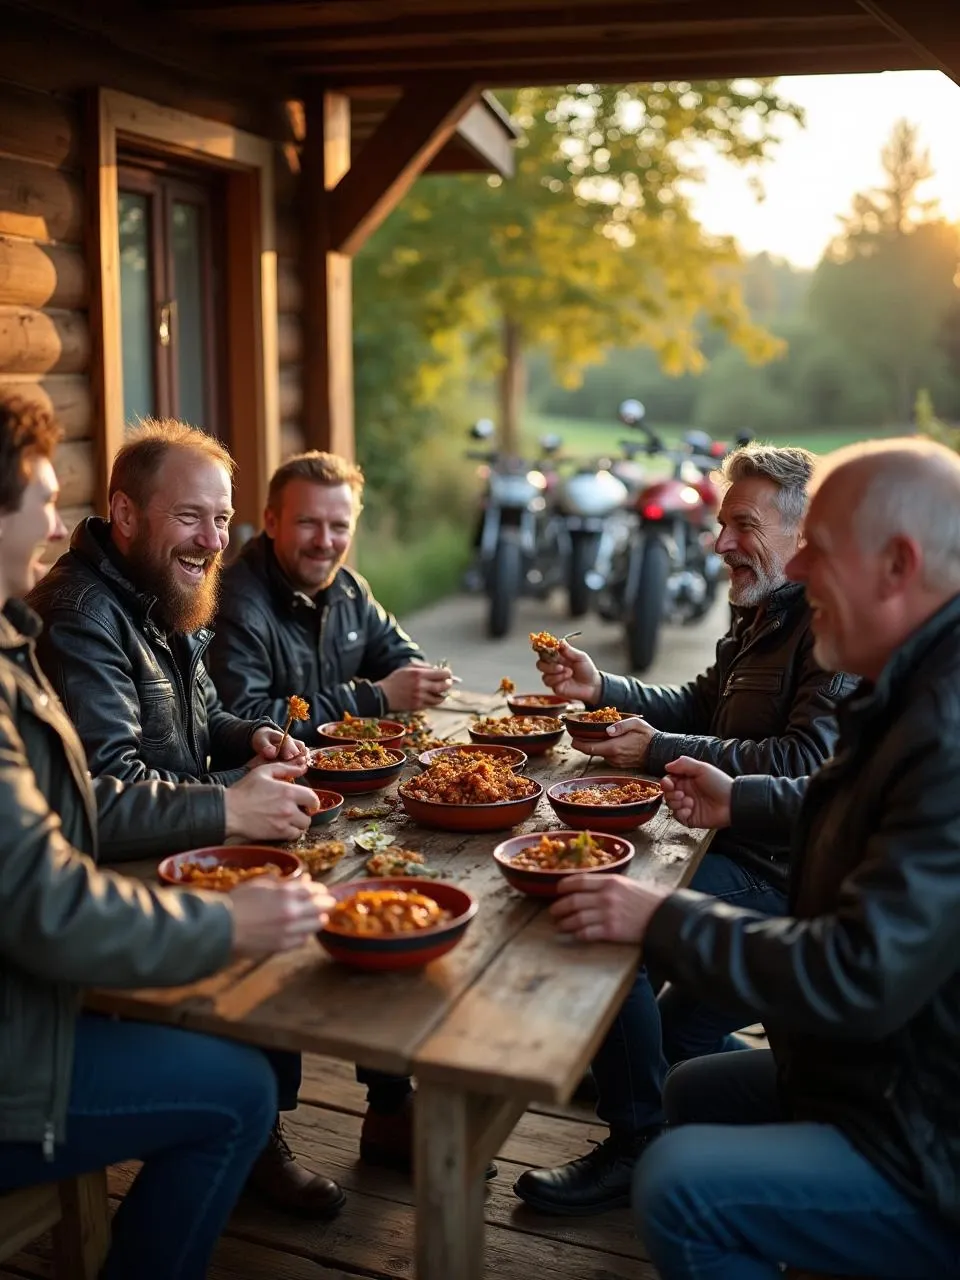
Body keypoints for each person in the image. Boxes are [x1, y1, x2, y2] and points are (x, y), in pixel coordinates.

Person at [553, 438, 960, 1279]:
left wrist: (664, 916)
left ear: (898, 565)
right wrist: (742, 797)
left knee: (674, 1183)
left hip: (928, 1122)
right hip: (885, 1065)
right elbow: (839, 794)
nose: (802, 568)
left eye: (822, 546)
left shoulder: (945, 723)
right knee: (687, 1089)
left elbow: (861, 973)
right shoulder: (913, 675)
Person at [0, 396, 334, 1280]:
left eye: (223, 519)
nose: (215, 541)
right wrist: (230, 814)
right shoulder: (75, 614)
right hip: (36, 1015)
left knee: (274, 883)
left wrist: (245, 741)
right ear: (129, 515)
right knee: (239, 1071)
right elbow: (89, 819)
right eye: (194, 517)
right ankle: (255, 1135)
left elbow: (187, 723)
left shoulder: (153, 598)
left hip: (68, 953)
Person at [516, 444, 855, 1215]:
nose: (720, 543)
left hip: (782, 875)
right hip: (728, 848)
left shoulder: (836, 627)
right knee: (656, 1055)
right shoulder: (762, 612)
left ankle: (641, 1146)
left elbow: (807, 760)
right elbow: (701, 703)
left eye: (743, 525)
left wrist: (659, 749)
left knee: (603, 916)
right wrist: (603, 685)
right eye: (720, 524)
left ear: (805, 534)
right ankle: (767, 1102)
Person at [207, 450, 454, 738]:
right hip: (267, 778)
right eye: (308, 523)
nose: (324, 542)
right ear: (272, 522)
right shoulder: (234, 603)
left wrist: (419, 679)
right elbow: (244, 722)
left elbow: (397, 654)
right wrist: (375, 698)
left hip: (344, 767)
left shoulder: (349, 588)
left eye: (339, 526)